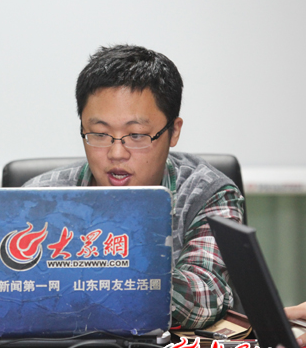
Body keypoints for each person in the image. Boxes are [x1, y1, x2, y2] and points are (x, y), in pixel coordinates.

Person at [24, 45, 244, 329]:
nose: (116, 153)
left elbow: (205, 297)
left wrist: (97, 277)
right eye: (99, 133)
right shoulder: (39, 196)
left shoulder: (207, 194)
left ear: (174, 131)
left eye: (137, 135)